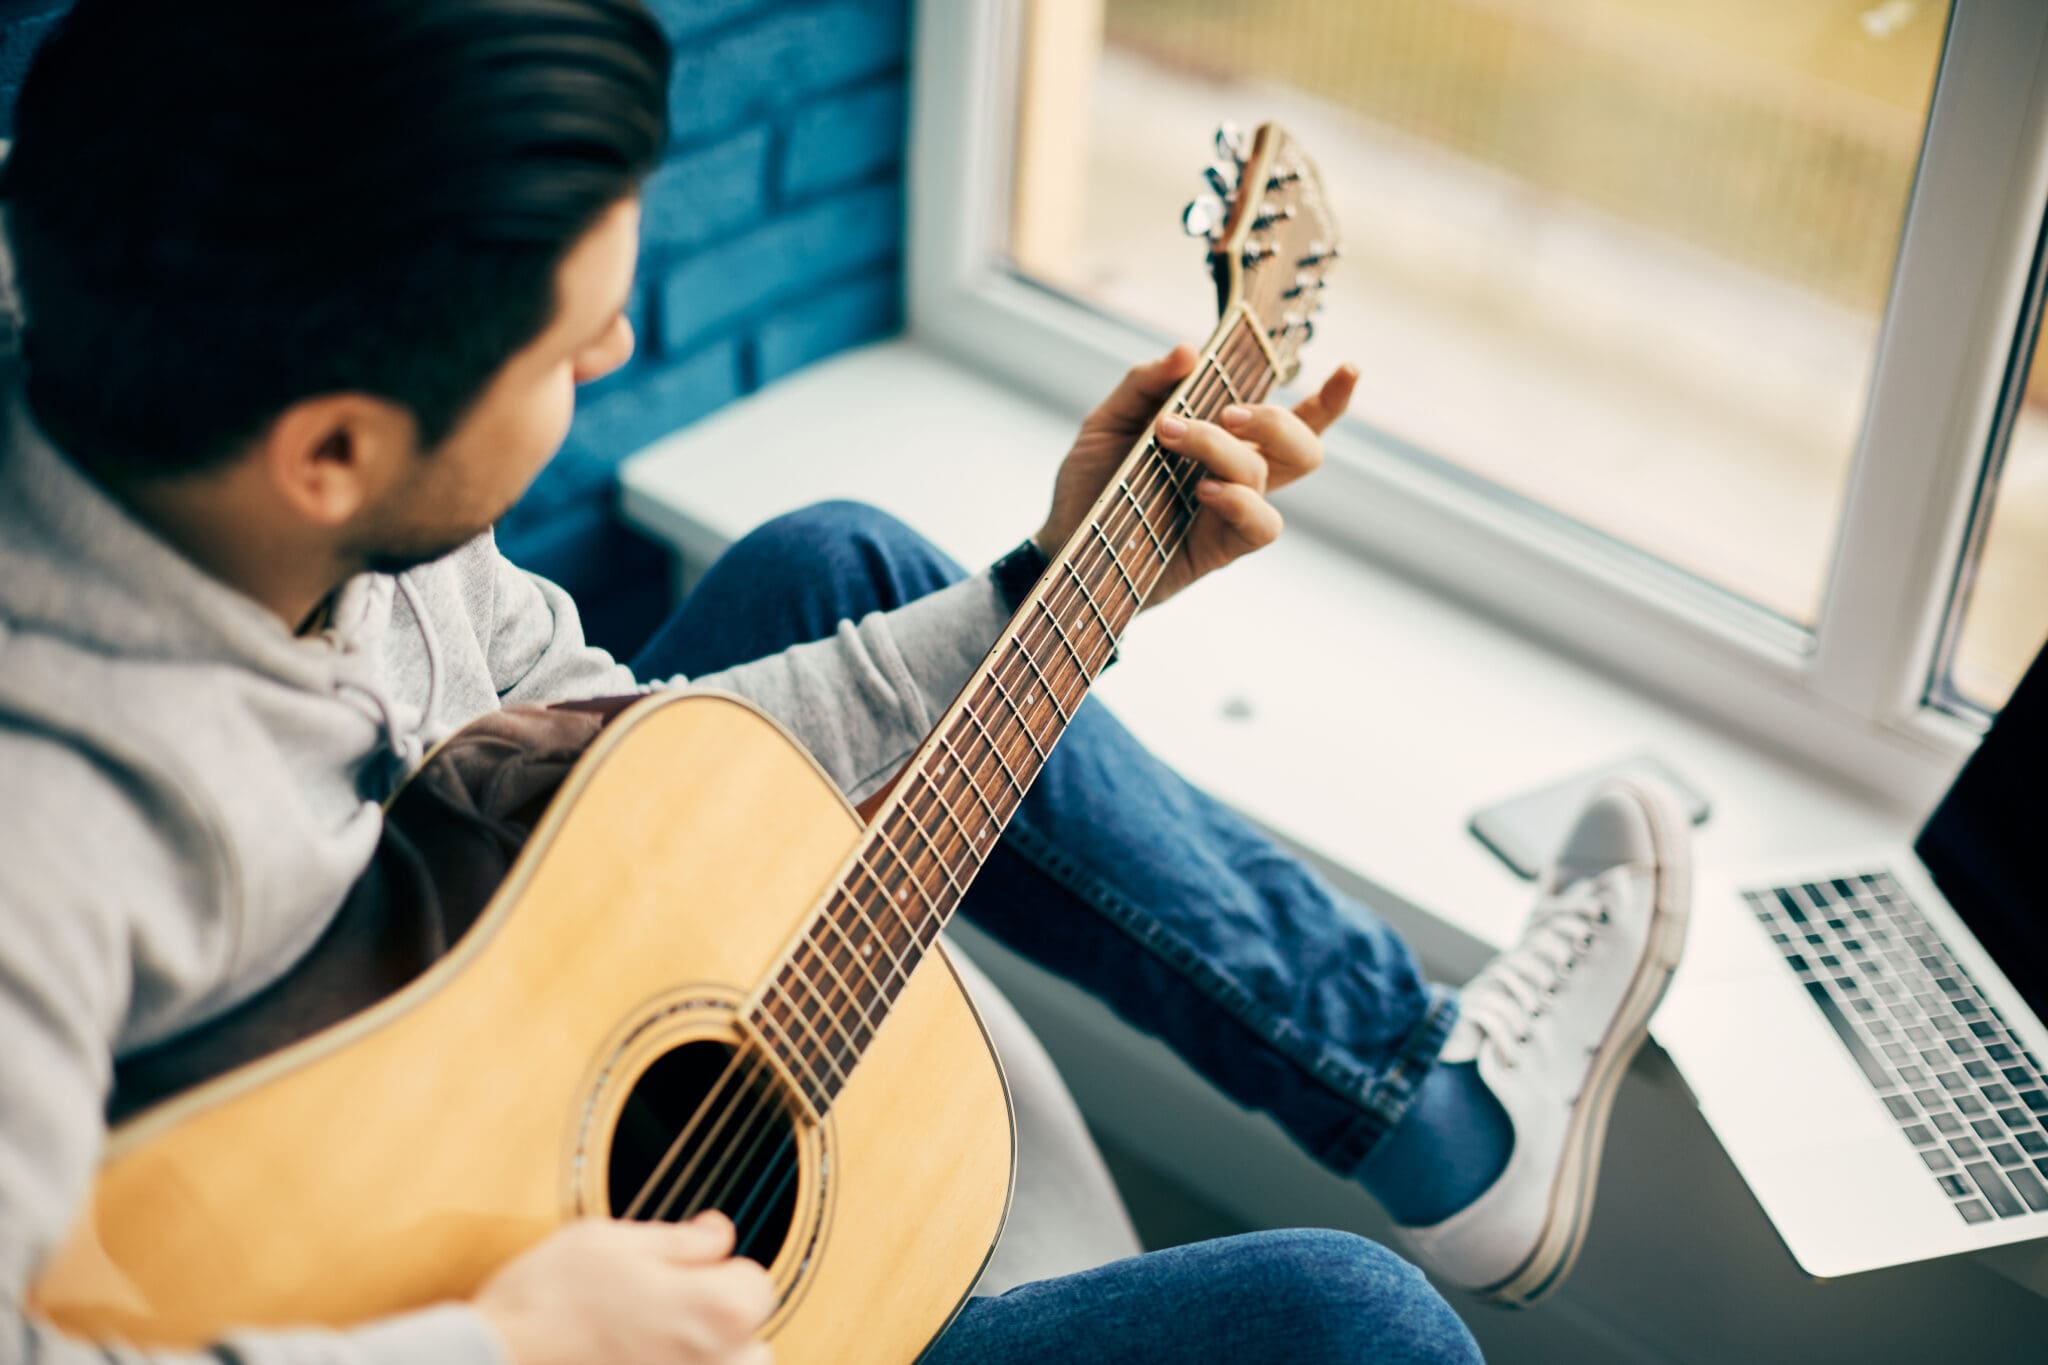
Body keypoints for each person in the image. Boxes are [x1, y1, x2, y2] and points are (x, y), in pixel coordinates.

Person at [0, 2, 1690, 1363]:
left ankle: (1440, 1111)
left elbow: (623, 762)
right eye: (568, 338)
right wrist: (504, 1335)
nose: (616, 353)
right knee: (1352, 1329)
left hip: (425, 1032)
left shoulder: (267, 395)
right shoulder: (52, 835)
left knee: (841, 559)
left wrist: (1062, 581)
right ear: (336, 451)